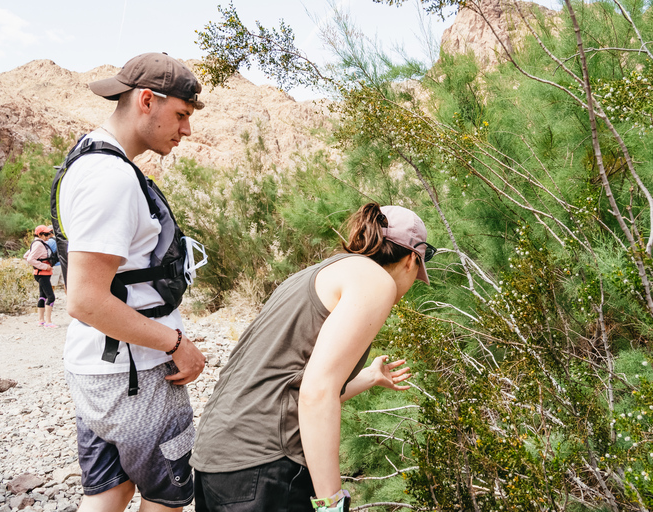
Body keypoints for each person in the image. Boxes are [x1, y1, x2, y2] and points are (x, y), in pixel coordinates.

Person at [190, 202, 437, 512]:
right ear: (412, 259)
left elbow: (290, 382)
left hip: (217, 462)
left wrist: (370, 376)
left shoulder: (320, 272)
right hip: (265, 468)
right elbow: (316, 394)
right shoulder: (376, 280)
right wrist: (331, 503)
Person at [54, 53, 207, 512]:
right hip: (134, 374)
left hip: (96, 366)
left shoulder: (86, 158)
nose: (187, 130)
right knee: (169, 497)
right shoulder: (112, 179)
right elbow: (84, 299)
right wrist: (175, 343)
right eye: (181, 114)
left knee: (111, 491)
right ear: (146, 100)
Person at [24, 225, 58, 327]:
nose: (48, 236)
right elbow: (30, 259)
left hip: (42, 274)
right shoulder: (39, 244)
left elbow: (26, 256)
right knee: (51, 297)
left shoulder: (38, 243)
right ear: (40, 234)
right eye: (46, 234)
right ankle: (48, 322)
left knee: (42, 296)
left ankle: (41, 320)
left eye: (49, 233)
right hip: (42, 274)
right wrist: (44, 266)